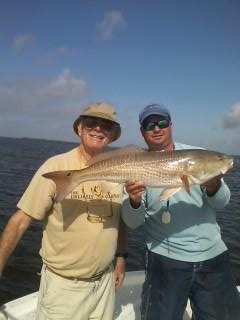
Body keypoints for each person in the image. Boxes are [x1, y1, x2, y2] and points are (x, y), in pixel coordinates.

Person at [0, 102, 128, 320]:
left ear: (113, 135)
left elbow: (121, 220)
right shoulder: (55, 166)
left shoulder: (123, 168)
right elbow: (21, 219)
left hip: (105, 283)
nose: (98, 128)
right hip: (64, 287)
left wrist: (121, 257)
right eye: (91, 123)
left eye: (106, 126)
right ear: (79, 128)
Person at [122, 103, 240, 320]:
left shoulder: (199, 155)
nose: (156, 128)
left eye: (162, 122)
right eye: (150, 125)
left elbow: (222, 202)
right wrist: (134, 201)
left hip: (212, 256)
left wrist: (213, 185)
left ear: (171, 125)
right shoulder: (133, 166)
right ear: (142, 132)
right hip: (164, 259)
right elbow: (132, 222)